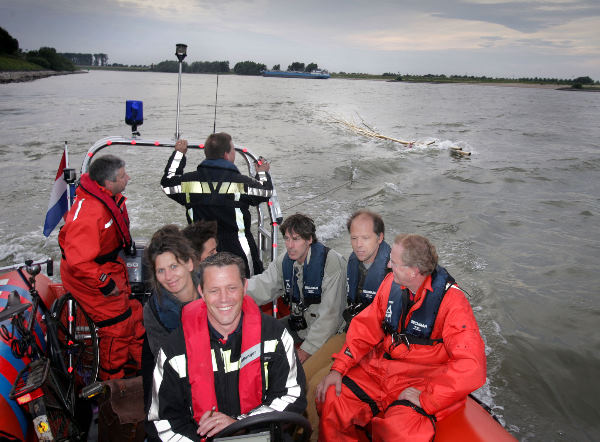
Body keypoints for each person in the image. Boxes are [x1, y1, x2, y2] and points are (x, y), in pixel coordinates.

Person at [316, 234, 486, 441]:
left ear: (413, 272)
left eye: (394, 263)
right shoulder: (390, 284)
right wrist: (339, 368)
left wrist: (428, 399)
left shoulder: (453, 303)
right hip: (378, 371)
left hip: (418, 380)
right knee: (333, 398)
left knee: (401, 432)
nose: (387, 264)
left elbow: (472, 366)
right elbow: (364, 330)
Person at [147, 252, 307, 440]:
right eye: (214, 290)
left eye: (231, 288)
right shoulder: (174, 351)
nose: (224, 299)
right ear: (201, 292)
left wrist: (241, 424)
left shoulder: (274, 336)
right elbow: (162, 422)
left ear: (244, 287)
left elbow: (292, 396)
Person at [303, 210, 391, 438]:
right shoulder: (353, 262)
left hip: (373, 345)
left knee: (317, 387)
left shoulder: (395, 272)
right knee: (303, 376)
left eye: (365, 238)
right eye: (354, 238)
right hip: (350, 332)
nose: (358, 245)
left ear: (380, 238)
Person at [58, 154, 144, 380]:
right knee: (117, 326)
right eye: (123, 176)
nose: (129, 178)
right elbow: (78, 261)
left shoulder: (104, 198)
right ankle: (112, 385)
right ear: (108, 183)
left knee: (134, 313)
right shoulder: (90, 213)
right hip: (88, 274)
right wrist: (105, 283)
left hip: (107, 265)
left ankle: (140, 368)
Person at [160, 133, 272, 278]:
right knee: (245, 287)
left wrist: (179, 154)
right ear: (227, 155)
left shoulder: (189, 183)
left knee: (204, 286)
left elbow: (167, 184)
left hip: (201, 250)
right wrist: (262, 173)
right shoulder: (241, 183)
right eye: (233, 150)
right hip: (238, 250)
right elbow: (265, 192)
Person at [246, 213, 347, 364]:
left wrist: (306, 351)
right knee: (258, 336)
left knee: (303, 375)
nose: (290, 245)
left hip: (330, 332)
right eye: (287, 239)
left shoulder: (331, 263)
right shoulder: (285, 261)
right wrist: (233, 289)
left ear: (309, 239)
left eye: (296, 239)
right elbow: (262, 285)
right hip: (302, 326)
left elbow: (330, 317)